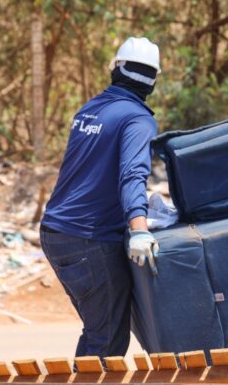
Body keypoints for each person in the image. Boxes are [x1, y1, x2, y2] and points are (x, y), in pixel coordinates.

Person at [40, 37, 162, 358]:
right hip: (87, 239)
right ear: (153, 81)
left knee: (99, 331)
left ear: (115, 69)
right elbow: (132, 175)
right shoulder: (137, 120)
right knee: (106, 341)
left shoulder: (90, 109)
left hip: (55, 232)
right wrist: (139, 229)